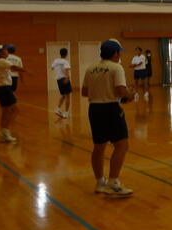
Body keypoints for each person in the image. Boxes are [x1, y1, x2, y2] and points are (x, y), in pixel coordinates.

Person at [81, 39, 134, 197]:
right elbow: (121, 91)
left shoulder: (90, 68)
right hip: (111, 109)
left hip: (94, 109)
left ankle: (100, 183)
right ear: (115, 53)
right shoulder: (116, 67)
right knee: (122, 145)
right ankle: (114, 182)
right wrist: (130, 94)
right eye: (119, 52)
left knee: (99, 147)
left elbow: (84, 92)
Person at [0, 45, 25, 143]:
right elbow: (14, 67)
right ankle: (6, 131)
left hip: (0, 89)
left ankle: (3, 132)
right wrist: (26, 71)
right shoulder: (3, 61)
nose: (7, 52)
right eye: (5, 50)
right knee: (15, 110)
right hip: (5, 89)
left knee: (5, 112)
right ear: (1, 53)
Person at [51, 47, 73, 118]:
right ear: (66, 54)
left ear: (60, 53)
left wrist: (58, 69)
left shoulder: (56, 61)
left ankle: (58, 109)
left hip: (58, 80)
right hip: (64, 78)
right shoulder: (65, 61)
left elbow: (52, 68)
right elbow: (66, 70)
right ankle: (66, 113)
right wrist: (67, 77)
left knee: (63, 95)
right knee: (68, 97)